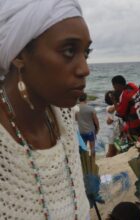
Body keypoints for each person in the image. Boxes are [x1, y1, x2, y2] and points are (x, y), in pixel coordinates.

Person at [0, 0, 91, 219]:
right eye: (69, 51)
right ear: (19, 54)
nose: (85, 69)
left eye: (86, 53)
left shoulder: (64, 119)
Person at [76, 93, 99, 158]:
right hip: (90, 131)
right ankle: (92, 162)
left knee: (84, 148)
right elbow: (96, 121)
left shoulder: (75, 109)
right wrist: (97, 129)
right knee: (92, 148)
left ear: (79, 99)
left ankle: (85, 162)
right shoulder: (91, 109)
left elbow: (75, 119)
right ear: (86, 99)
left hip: (81, 131)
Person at [104, 90, 122, 157]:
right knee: (111, 150)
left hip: (117, 130)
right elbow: (111, 110)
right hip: (111, 130)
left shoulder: (118, 105)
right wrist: (116, 102)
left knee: (117, 149)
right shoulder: (109, 107)